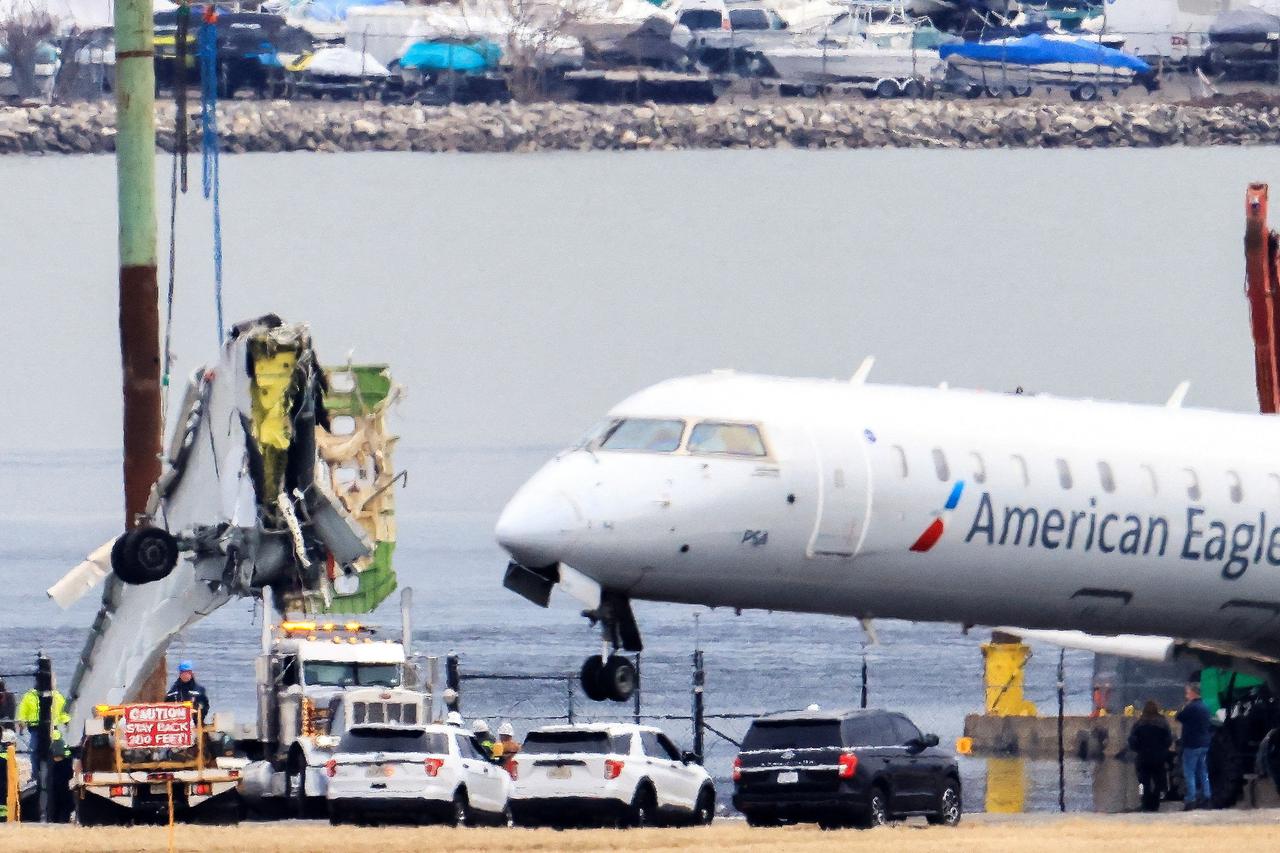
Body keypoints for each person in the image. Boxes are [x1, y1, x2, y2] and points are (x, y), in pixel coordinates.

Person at [1128, 700, 1173, 812]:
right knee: (1158, 780)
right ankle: (1155, 802)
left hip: (1143, 756)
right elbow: (1168, 739)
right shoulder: (1163, 722)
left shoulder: (1139, 723)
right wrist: (1164, 749)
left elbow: (1132, 740)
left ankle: (1145, 802)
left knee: (1144, 781)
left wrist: (1138, 749)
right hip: (1159, 756)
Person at [1175, 681, 1213, 810]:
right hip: (1204, 744)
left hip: (1192, 744)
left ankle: (1191, 799)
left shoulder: (1191, 707)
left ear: (1192, 692)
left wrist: (1183, 706)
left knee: (1189, 772)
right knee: (1203, 771)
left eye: (1187, 692)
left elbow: (1178, 717)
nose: (1186, 694)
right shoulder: (1205, 706)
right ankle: (1207, 796)